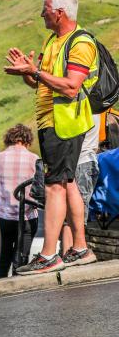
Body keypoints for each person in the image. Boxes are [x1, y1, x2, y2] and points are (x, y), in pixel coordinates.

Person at [5, 0, 98, 274]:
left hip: (64, 122)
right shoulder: (54, 40)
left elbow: (70, 86)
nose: (41, 13)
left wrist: (34, 72)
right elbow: (42, 83)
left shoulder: (80, 43)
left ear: (59, 12)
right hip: (53, 121)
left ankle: (49, 255)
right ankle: (80, 248)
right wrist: (28, 72)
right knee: (68, 182)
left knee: (54, 185)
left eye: (45, 8)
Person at [0, 124, 39, 278]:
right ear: (27, 140)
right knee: (21, 262)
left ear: (9, 139)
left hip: (3, 217)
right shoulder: (34, 159)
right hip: (26, 217)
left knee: (1, 261)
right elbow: (38, 190)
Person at [61, 113, 101, 264]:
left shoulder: (83, 106)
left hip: (80, 162)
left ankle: (72, 253)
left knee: (72, 215)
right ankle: (71, 252)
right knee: (74, 214)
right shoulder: (93, 106)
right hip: (88, 160)